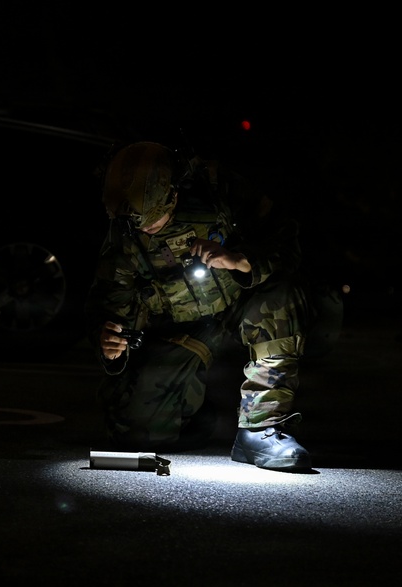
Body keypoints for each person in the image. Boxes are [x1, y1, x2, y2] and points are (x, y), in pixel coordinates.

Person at [84, 140, 313, 471]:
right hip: (184, 330)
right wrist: (108, 341)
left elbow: (285, 242)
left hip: (240, 304)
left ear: (173, 194)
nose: (144, 228)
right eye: (138, 222)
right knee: (135, 432)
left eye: (153, 218)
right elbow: (108, 300)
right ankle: (192, 408)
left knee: (280, 298)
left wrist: (239, 261)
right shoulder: (125, 229)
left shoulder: (219, 190)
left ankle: (262, 427)